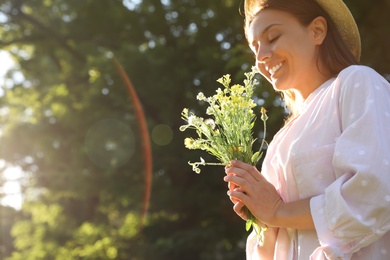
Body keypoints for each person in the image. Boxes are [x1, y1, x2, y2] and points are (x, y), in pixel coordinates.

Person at [223, 0, 390, 259]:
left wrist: (278, 211)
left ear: (317, 31)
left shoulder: (356, 81)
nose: (261, 57)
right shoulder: (280, 139)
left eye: (273, 37)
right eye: (255, 48)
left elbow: (376, 193)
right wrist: (261, 217)